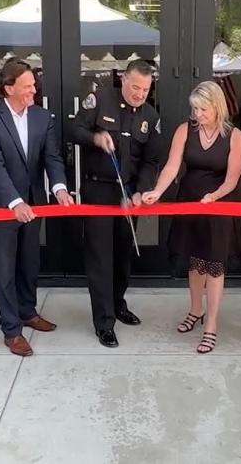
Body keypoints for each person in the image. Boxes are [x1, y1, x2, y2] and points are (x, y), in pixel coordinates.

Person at [0, 59, 73, 357]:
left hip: (35, 201)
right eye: (28, 86)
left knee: (30, 262)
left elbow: (52, 158)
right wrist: (14, 202)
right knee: (4, 269)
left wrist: (59, 188)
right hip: (3, 206)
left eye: (34, 84)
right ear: (9, 89)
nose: (34, 90)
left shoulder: (43, 117)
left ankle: (27, 311)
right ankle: (11, 330)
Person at [143, 81, 241, 354]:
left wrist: (215, 195)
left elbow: (233, 179)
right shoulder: (184, 130)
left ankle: (211, 324)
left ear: (217, 106)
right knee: (194, 260)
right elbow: (172, 166)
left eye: (202, 109)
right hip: (189, 200)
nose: (197, 114)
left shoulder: (234, 136)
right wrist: (156, 191)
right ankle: (195, 310)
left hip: (219, 203)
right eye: (195, 109)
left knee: (214, 265)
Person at [69, 59, 161, 348]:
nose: (139, 94)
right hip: (98, 190)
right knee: (100, 257)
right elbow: (73, 130)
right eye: (135, 87)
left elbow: (150, 160)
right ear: (123, 79)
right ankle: (104, 321)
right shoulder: (99, 99)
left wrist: (141, 191)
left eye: (145, 89)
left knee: (123, 253)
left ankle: (118, 304)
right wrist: (96, 137)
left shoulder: (150, 114)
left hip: (127, 194)